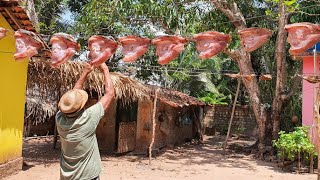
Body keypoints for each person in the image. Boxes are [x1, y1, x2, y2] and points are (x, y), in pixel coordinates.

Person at [56, 63, 114, 180]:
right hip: (88, 176)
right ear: (82, 106)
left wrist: (85, 72)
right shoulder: (88, 119)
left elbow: (74, 96)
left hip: (67, 177)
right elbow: (109, 93)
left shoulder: (59, 119)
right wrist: (105, 69)